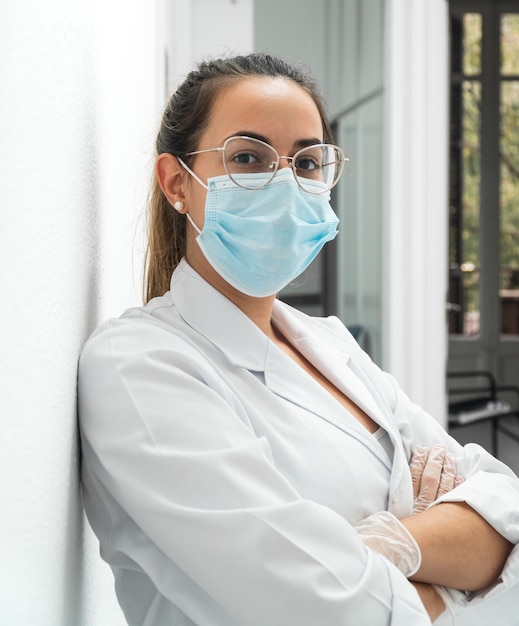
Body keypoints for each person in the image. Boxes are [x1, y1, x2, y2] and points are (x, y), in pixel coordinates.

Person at [78, 53, 519, 626]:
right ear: (176, 183)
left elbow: (505, 506)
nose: (284, 184)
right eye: (247, 158)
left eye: (308, 163)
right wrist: (452, 576)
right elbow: (321, 609)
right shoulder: (138, 367)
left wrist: (385, 546)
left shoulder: (331, 347)